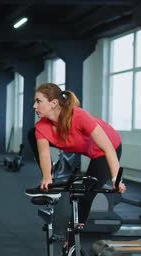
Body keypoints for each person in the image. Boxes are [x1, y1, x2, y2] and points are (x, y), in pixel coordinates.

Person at [26, 83, 126, 225]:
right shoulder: (41, 127)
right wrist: (47, 178)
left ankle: (72, 241)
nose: (34, 106)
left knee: (86, 195)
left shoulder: (78, 116)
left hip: (107, 148)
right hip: (84, 146)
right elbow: (44, 154)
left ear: (54, 103)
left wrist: (116, 179)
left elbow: (108, 148)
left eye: (38, 101)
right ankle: (51, 186)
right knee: (31, 134)